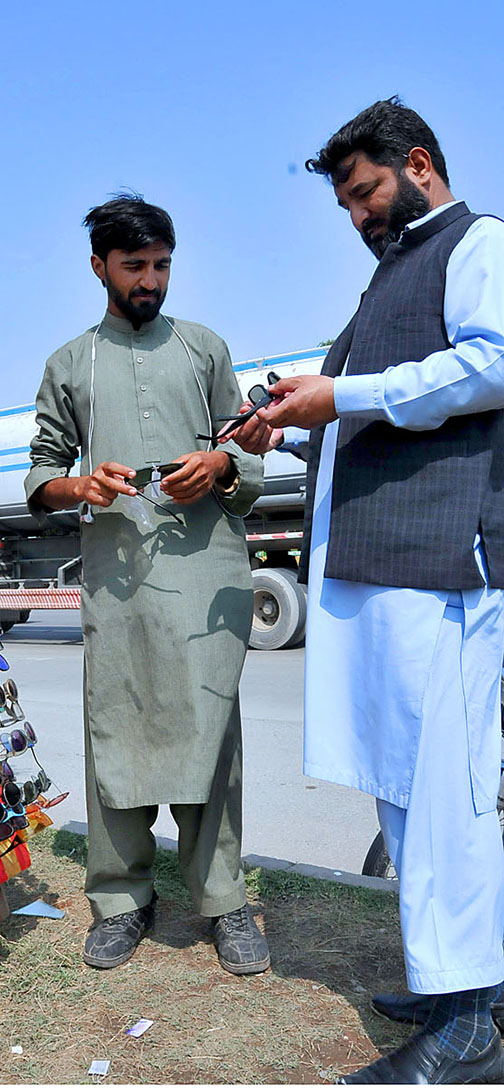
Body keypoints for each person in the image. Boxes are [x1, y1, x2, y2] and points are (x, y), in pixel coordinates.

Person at [228, 98, 504, 1084]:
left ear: (417, 164)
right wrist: (293, 421)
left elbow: (491, 363)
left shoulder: (478, 245)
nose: (355, 216)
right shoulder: (391, 275)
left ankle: (468, 1022)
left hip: (439, 567)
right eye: (344, 203)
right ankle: (453, 979)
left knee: (443, 798)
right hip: (378, 566)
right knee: (403, 786)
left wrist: (337, 393)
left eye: (363, 193)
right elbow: (377, 410)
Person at [24, 195, 268, 974]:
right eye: (135, 266)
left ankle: (224, 901)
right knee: (117, 732)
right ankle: (122, 900)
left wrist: (222, 465)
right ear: (99, 266)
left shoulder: (204, 349)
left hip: (206, 575)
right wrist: (81, 487)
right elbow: (39, 471)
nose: (151, 281)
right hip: (119, 580)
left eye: (162, 265)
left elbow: (251, 455)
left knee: (211, 734)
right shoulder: (71, 362)